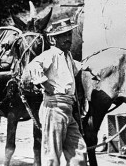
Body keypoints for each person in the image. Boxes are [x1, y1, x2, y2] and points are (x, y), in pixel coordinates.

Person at [22, 17, 87, 166]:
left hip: (68, 108)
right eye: (63, 36)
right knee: (52, 154)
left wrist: (86, 67)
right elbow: (33, 67)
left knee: (79, 151)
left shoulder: (67, 56)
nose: (67, 39)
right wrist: (46, 85)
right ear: (53, 40)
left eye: (69, 35)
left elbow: (73, 68)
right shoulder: (50, 54)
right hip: (54, 107)